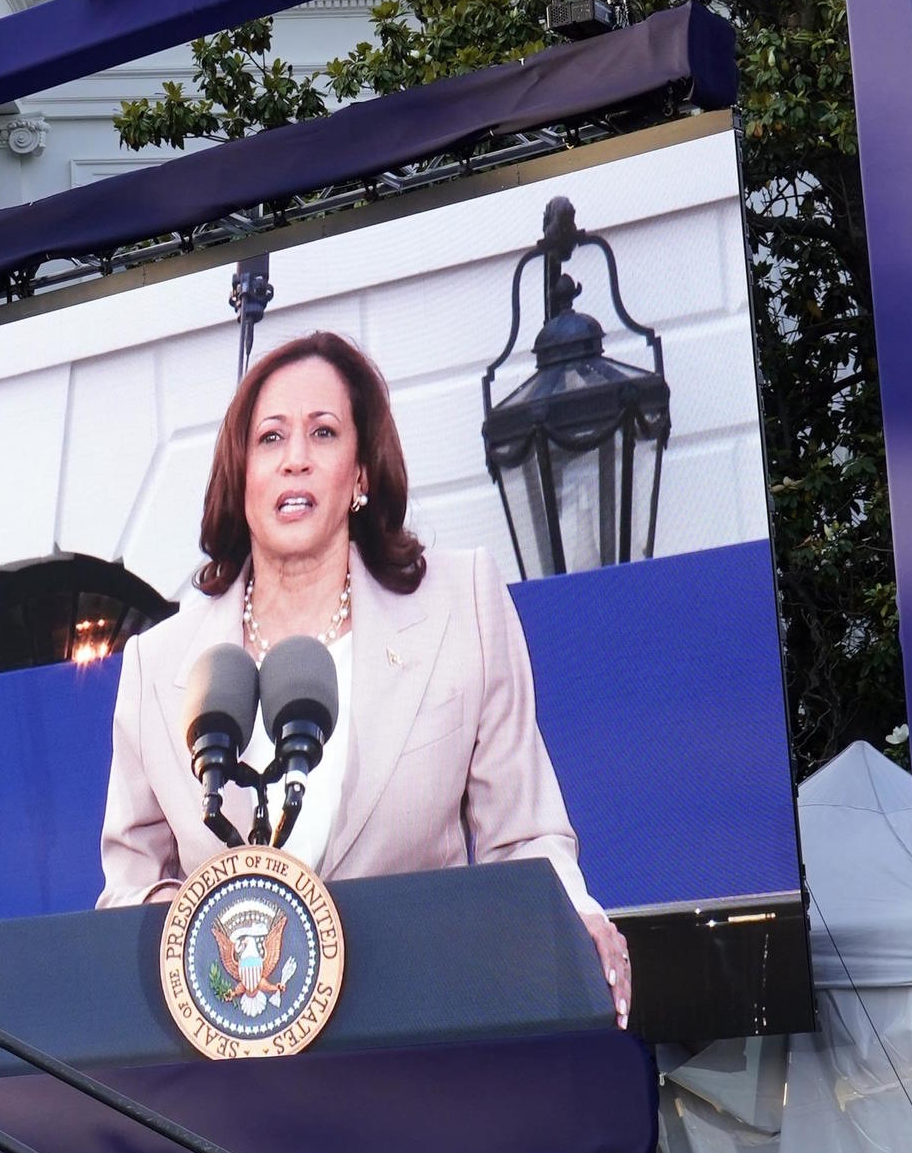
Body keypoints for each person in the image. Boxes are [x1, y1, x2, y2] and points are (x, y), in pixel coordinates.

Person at [97, 330, 632, 1022]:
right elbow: (130, 882)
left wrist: (577, 916)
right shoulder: (158, 662)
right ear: (242, 474)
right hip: (233, 1056)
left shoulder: (460, 599)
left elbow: (525, 835)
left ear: (360, 474)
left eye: (323, 432)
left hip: (424, 1022)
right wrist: (182, 922)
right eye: (269, 438)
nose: (295, 459)